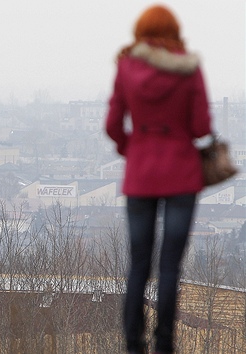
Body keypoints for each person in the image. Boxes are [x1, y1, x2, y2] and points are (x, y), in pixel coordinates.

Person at [105, 5, 212, 354]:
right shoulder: (189, 69)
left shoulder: (126, 67)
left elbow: (112, 124)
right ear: (175, 31)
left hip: (140, 173)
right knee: (170, 265)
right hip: (181, 173)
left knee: (138, 264)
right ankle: (164, 343)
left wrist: (132, 148)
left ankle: (132, 342)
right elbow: (201, 127)